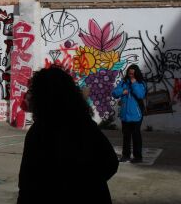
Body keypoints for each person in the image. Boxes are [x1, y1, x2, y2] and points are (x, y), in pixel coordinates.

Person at [18, 66, 118, 204]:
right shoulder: (85, 125)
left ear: (41, 97)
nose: (29, 96)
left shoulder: (38, 132)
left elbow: (27, 184)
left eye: (32, 92)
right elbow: (110, 163)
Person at [112, 64, 146, 164]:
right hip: (125, 115)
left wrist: (134, 83)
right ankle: (125, 155)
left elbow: (140, 95)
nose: (131, 75)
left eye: (133, 73)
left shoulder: (141, 83)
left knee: (136, 135)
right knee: (126, 136)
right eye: (129, 73)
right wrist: (123, 91)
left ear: (136, 73)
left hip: (137, 114)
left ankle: (138, 157)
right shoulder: (123, 82)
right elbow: (114, 93)